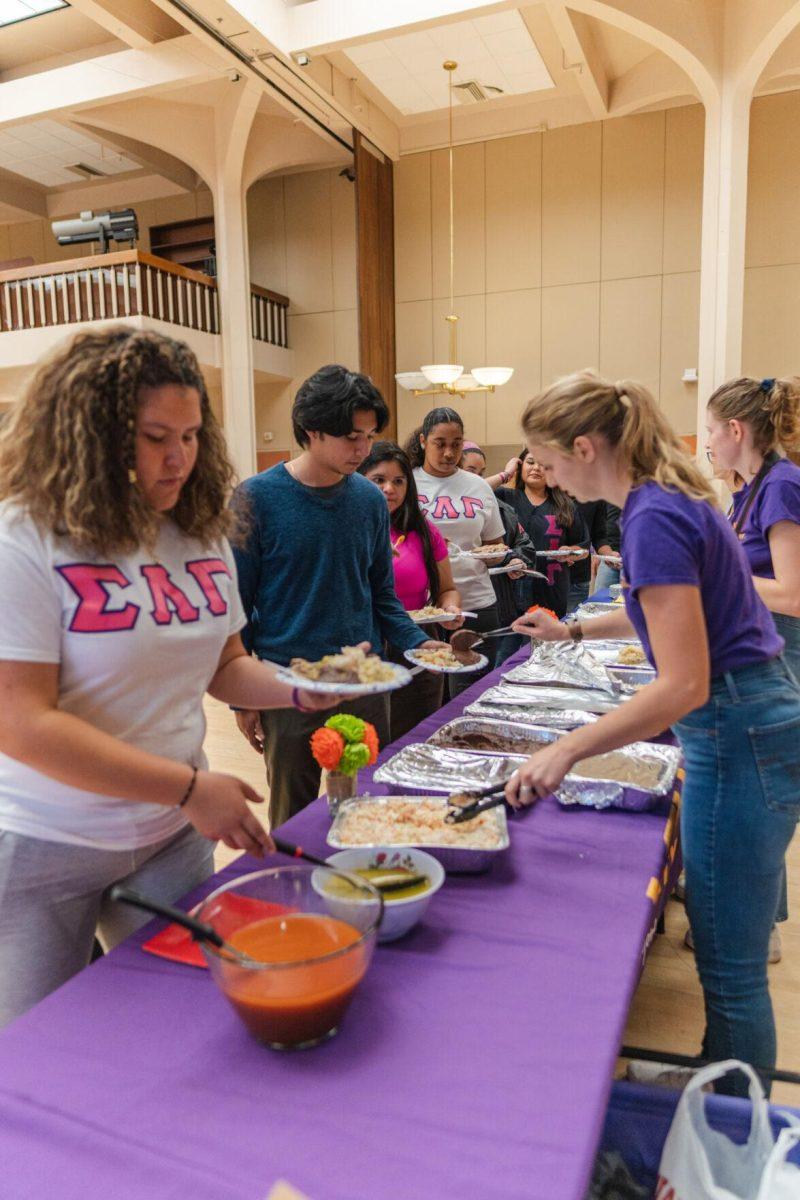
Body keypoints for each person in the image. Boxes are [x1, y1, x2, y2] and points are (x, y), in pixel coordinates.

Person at [0, 327, 337, 1029]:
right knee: (38, 1045)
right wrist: (187, 788)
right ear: (91, 436)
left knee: (181, 1020)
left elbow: (225, 665)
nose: (179, 457)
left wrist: (299, 688)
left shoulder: (200, 527)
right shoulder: (24, 538)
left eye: (190, 434)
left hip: (167, 833)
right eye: (156, 436)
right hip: (43, 840)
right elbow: (22, 723)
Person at [506, 370, 800, 1097]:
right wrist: (572, 626)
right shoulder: (666, 501)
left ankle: (732, 1119)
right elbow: (659, 610)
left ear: (583, 445)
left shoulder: (652, 517)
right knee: (724, 956)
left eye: (548, 459)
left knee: (730, 968)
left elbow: (683, 685)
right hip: (746, 721)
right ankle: (719, 1080)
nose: (548, 476)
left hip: (735, 729)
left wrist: (567, 748)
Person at [233, 366, 445, 826]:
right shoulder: (256, 498)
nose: (364, 450)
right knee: (294, 813)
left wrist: (418, 641)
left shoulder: (368, 500)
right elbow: (237, 609)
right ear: (312, 430)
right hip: (287, 684)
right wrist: (243, 696)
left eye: (369, 436)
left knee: (368, 804)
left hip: (363, 682)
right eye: (351, 437)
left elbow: (381, 595)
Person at [705, 374, 800, 962]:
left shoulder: (783, 483)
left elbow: (791, 592)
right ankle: (752, 914)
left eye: (713, 430)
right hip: (758, 651)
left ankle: (761, 927)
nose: (710, 442)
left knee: (763, 792)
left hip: (784, 654)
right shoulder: (750, 490)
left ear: (737, 429)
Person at [359, 441, 463, 739]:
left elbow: (447, 589)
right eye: (378, 480)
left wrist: (450, 608)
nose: (389, 488)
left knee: (416, 738)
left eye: (398, 481)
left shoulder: (424, 531)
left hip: (418, 646)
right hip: (366, 647)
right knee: (368, 744)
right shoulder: (349, 530)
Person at [405, 408, 508, 697]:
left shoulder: (478, 486)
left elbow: (495, 546)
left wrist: (493, 556)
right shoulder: (406, 484)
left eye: (457, 444)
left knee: (472, 695)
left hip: (476, 603)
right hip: (423, 610)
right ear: (424, 441)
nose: (449, 452)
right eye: (440, 444)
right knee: (427, 699)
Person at [496, 449, 589, 618]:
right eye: (531, 462)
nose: (537, 468)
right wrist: (506, 474)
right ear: (520, 466)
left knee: (548, 641)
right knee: (512, 642)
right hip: (510, 590)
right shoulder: (504, 497)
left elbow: (584, 549)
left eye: (544, 465)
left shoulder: (565, 505)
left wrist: (570, 552)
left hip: (552, 590)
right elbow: (471, 492)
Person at [569, 500, 616, 612]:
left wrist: (608, 554)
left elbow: (599, 536)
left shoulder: (595, 498)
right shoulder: (548, 490)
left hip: (578, 578)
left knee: (573, 623)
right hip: (547, 577)